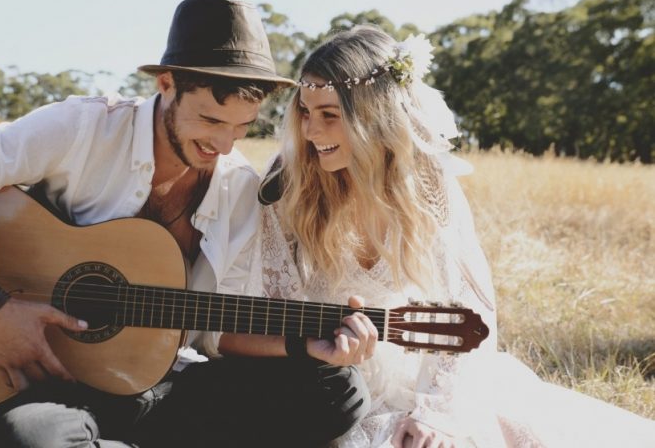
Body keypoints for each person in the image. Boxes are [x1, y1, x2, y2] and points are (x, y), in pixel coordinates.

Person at [0, 0, 375, 448]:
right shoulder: (82, 129)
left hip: (175, 385)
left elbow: (218, 330)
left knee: (338, 390)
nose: (222, 144)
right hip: (64, 385)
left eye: (241, 128)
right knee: (25, 439)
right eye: (210, 120)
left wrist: (304, 345)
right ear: (166, 84)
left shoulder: (237, 186)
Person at [254, 25, 655, 447]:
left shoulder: (425, 180)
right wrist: (319, 353)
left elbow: (467, 302)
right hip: (328, 380)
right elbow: (276, 304)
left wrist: (437, 413)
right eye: (305, 111)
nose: (311, 130)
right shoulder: (288, 181)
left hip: (422, 366)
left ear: (372, 116)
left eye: (329, 115)